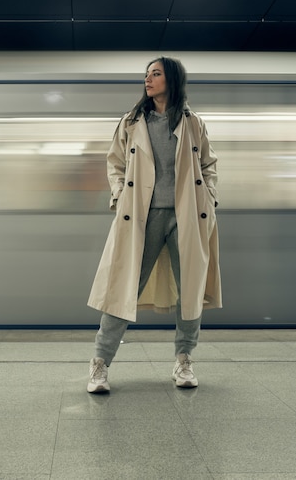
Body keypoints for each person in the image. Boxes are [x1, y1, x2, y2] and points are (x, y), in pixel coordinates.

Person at [87, 56, 222, 393]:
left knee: (189, 291)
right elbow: (115, 164)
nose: (148, 80)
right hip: (141, 218)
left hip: (186, 216)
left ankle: (184, 361)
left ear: (172, 80)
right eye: (146, 75)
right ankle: (99, 364)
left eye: (156, 74)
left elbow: (208, 164)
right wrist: (119, 196)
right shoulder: (132, 122)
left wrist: (210, 197)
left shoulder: (193, 123)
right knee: (122, 289)